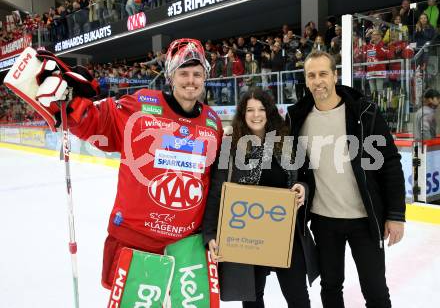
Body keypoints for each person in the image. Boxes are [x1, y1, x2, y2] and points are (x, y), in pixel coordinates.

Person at [33, 38, 224, 288]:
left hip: (187, 245)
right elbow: (100, 124)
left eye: (197, 74)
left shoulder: (213, 121)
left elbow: (217, 177)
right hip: (137, 240)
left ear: (205, 76)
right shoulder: (143, 104)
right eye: (184, 73)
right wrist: (71, 106)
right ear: (171, 76)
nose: (191, 80)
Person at [286, 51, 406, 308]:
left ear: (335, 76)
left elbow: (390, 163)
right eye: (311, 75)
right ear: (306, 81)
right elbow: (288, 162)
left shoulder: (364, 113)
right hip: (323, 219)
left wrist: (395, 214)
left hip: (364, 219)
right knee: (330, 286)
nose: (318, 81)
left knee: (375, 290)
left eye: (323, 74)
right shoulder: (298, 118)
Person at [203, 88, 319, 308]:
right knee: (253, 300)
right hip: (247, 236)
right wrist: (210, 233)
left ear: (270, 112)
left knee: (298, 297)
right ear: (242, 114)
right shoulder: (230, 145)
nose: (256, 115)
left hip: (285, 232)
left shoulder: (286, 143)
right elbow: (218, 190)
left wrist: (302, 188)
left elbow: (306, 178)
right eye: (250, 110)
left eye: (261, 109)